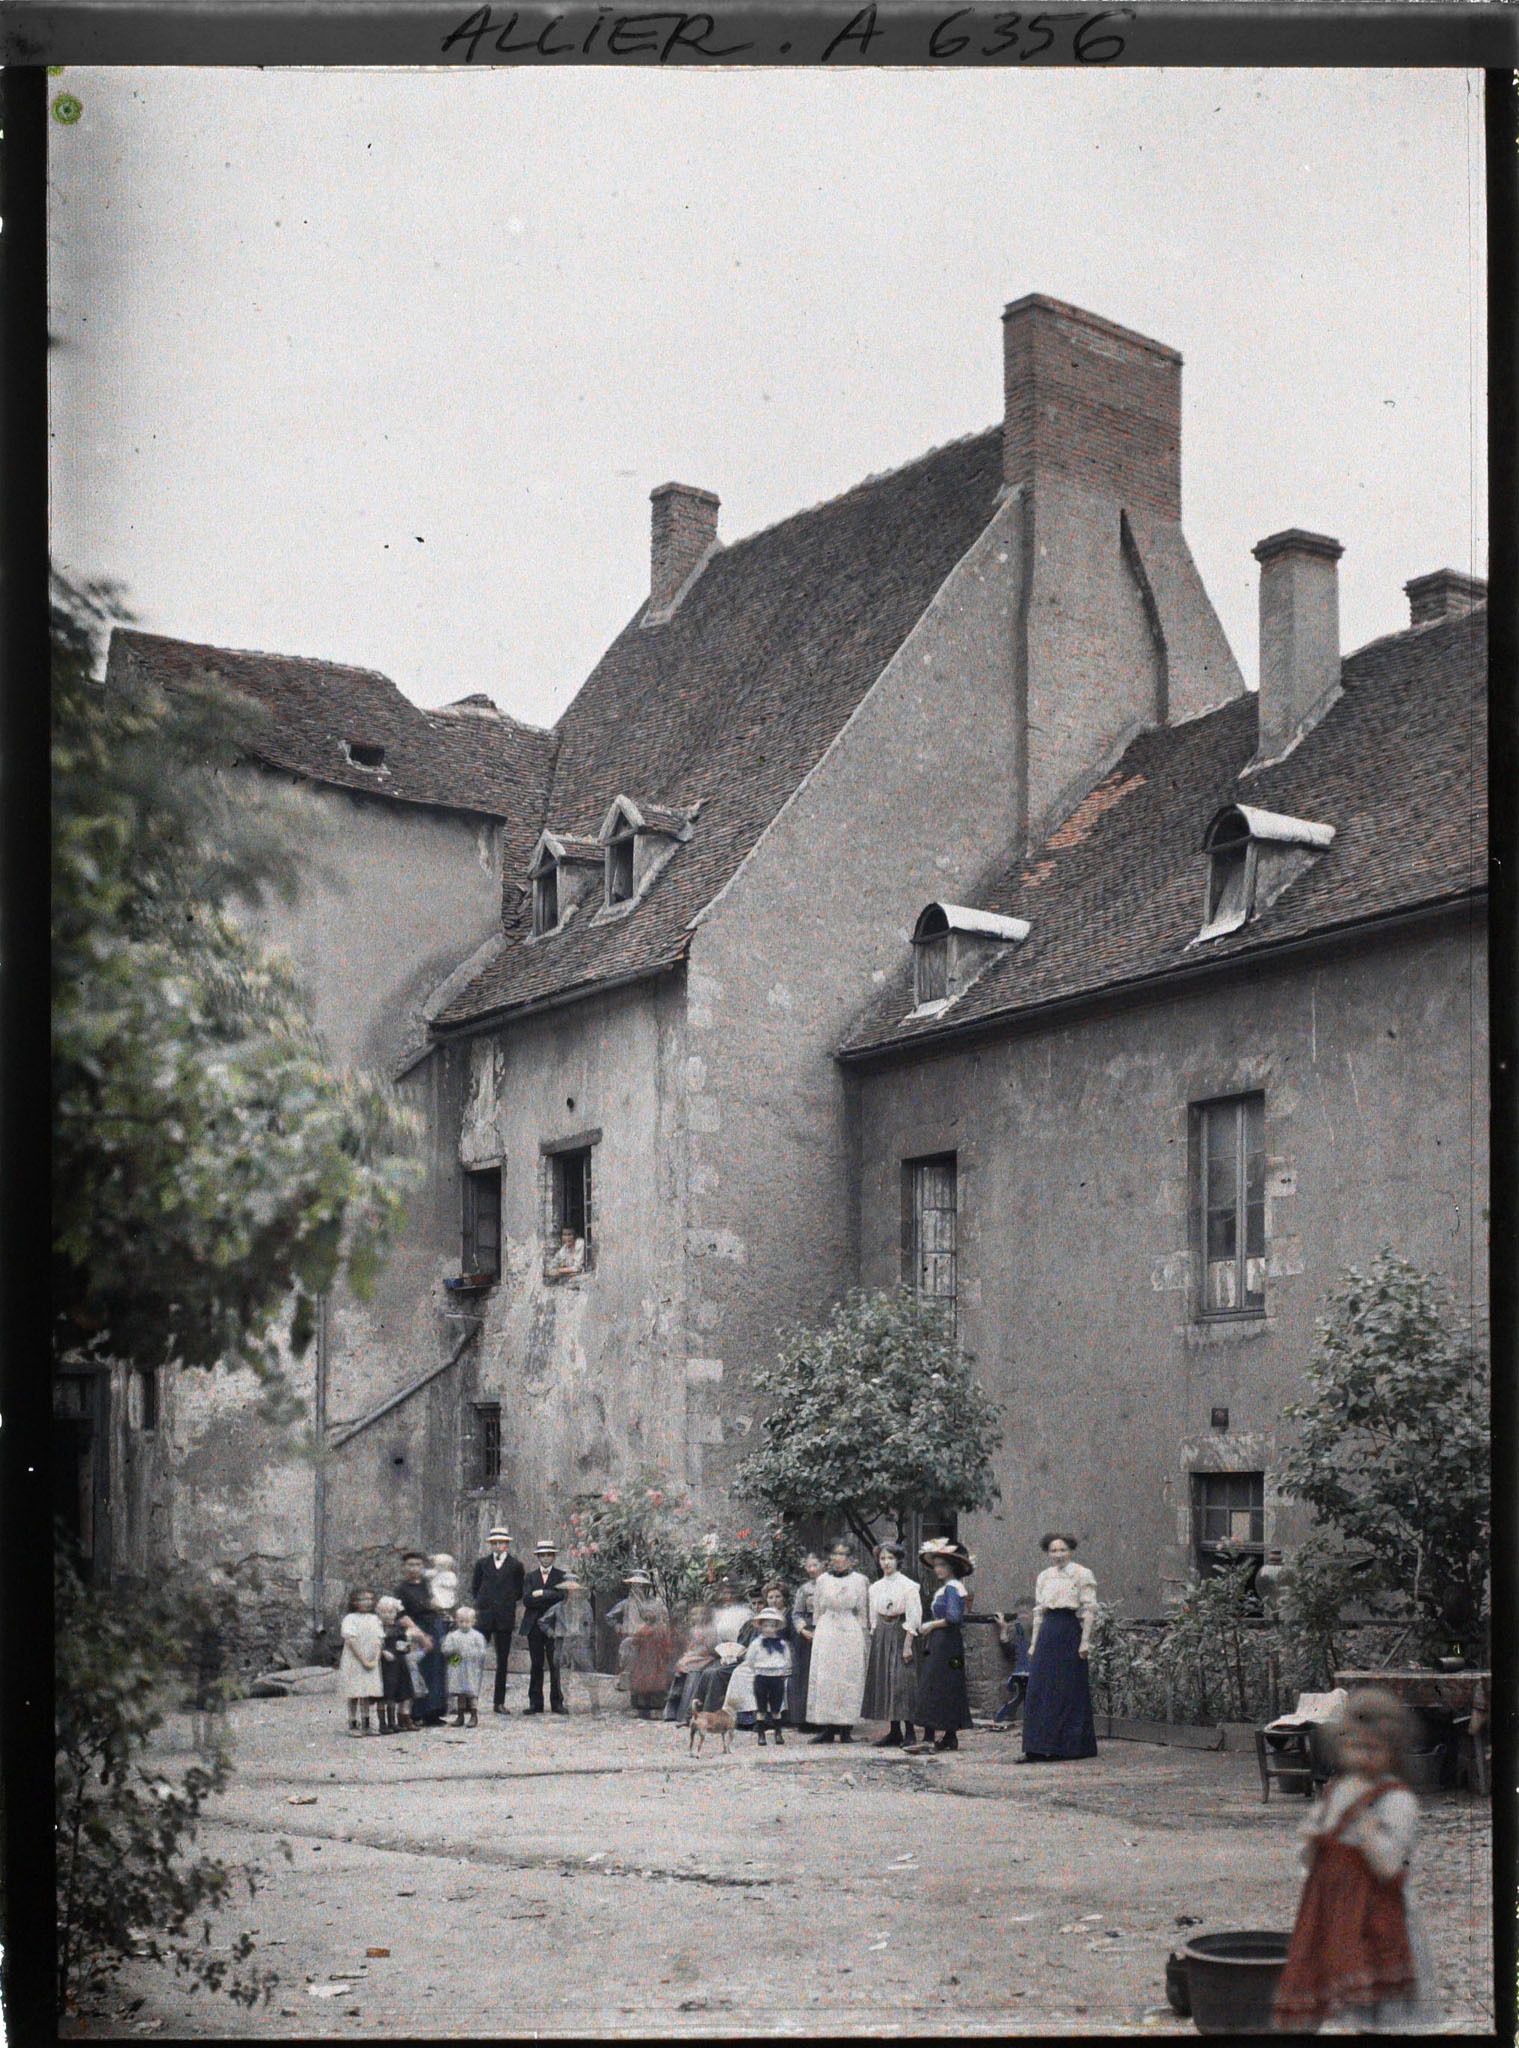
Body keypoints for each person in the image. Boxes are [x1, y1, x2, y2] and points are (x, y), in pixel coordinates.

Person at [1273, 1688, 1435, 2032]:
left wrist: (1365, 1827)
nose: (1361, 1757)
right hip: (1336, 1914)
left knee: (1382, 2004)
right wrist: (1314, 1837)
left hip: (1379, 1918)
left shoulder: (1397, 1800)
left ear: (1392, 1753)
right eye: (1354, 1747)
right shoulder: (1339, 1789)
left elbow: (1390, 1866)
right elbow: (1308, 1858)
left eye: (1373, 1749)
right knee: (1344, 1999)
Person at [1019, 1532, 1098, 1762]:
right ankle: (1037, 1746)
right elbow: (1039, 1611)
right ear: (1048, 1553)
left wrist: (1085, 1641)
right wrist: (1034, 1643)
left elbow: (1089, 1609)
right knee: (1040, 1689)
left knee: (1067, 1687)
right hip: (1048, 1633)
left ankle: (1067, 1747)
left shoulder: (1082, 1574)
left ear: (1070, 1550)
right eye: (1054, 1551)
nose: (1058, 1555)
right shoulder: (1044, 1576)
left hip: (1069, 1631)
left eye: (1063, 1550)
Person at [907, 1541, 974, 1753]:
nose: (938, 1569)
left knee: (934, 1684)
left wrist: (930, 1625)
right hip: (945, 1642)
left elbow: (954, 1617)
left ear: (952, 1567)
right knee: (945, 1684)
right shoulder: (948, 1588)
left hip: (946, 1643)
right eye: (936, 1565)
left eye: (942, 1565)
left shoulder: (954, 1588)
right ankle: (949, 1737)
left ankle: (929, 1738)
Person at [806, 1542, 871, 1743]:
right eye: (835, 1554)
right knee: (827, 1677)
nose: (838, 1558)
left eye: (843, 1554)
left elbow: (862, 1611)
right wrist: (817, 1632)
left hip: (849, 1629)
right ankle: (827, 1728)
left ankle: (846, 1729)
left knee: (848, 1676)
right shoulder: (823, 1580)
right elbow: (817, 1610)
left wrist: (864, 1636)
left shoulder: (860, 1581)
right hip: (828, 1628)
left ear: (852, 1559)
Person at [862, 1542, 923, 1747]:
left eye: (890, 1558)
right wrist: (875, 1636)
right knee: (886, 1681)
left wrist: (907, 1644)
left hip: (900, 1631)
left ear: (898, 1560)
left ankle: (910, 1731)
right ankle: (894, 1730)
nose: (886, 1563)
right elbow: (873, 1616)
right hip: (882, 1633)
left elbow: (914, 1617)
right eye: (882, 1559)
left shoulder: (908, 1586)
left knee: (902, 1682)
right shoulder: (875, 1588)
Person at [605, 1570, 677, 1718]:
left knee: (649, 1670)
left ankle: (652, 1702)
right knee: (633, 1669)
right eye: (635, 1585)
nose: (638, 1588)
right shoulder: (625, 1604)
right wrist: (617, 1626)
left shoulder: (652, 1603)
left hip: (650, 1640)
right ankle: (636, 1701)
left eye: (641, 1585)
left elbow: (662, 1619)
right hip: (631, 1638)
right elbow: (609, 1616)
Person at [470, 1525, 526, 1715]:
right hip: (484, 1616)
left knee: (502, 1660)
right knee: (475, 1654)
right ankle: (470, 1699)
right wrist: (483, 1604)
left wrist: (505, 1603)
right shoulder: (482, 1564)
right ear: (491, 1545)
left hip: (504, 1617)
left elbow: (519, 1591)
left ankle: (498, 1702)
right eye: (495, 1543)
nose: (498, 1546)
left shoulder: (516, 1566)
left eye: (501, 1543)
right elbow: (475, 1587)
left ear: (507, 1545)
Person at [394, 1550, 449, 1726]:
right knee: (418, 1671)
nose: (414, 1568)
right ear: (404, 1567)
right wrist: (420, 1635)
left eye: (418, 1565)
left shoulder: (428, 1584)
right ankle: (416, 1713)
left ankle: (434, 1712)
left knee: (437, 1669)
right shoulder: (401, 1589)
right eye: (410, 1565)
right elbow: (401, 1615)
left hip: (435, 1627)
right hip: (416, 1630)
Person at [521, 1538, 569, 1714]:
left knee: (555, 1664)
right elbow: (526, 1600)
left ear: (554, 1557)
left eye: (549, 1555)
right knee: (536, 1664)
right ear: (538, 1557)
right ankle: (535, 1703)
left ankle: (557, 1703)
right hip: (533, 1625)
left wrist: (541, 1593)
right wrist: (549, 1597)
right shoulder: (530, 1576)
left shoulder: (561, 1576)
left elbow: (562, 1597)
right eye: (543, 1555)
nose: (546, 1558)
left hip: (554, 1626)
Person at [693, 1579, 754, 1716]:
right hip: (728, 1654)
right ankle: (694, 1715)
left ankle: (710, 1715)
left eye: (731, 1593)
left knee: (716, 1673)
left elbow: (746, 1647)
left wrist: (736, 1655)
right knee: (707, 1672)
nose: (728, 1597)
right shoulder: (722, 1613)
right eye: (724, 1593)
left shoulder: (748, 1615)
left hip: (746, 1659)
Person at [547, 1574, 598, 1713]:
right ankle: (565, 1703)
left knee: (589, 1673)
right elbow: (543, 1621)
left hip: (580, 1642)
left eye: (573, 1589)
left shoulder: (585, 1607)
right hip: (564, 1642)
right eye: (568, 1589)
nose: (571, 1592)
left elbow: (591, 1624)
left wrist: (588, 1638)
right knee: (563, 1674)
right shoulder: (558, 1607)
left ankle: (595, 1703)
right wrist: (552, 1633)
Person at [744, 1606, 793, 1746]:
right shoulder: (756, 1644)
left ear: (777, 1627)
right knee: (761, 1706)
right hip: (761, 1676)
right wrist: (757, 1669)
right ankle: (761, 1734)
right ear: (761, 1627)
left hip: (776, 1676)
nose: (769, 1629)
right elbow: (750, 1660)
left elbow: (787, 1659)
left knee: (776, 1706)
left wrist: (783, 1670)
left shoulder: (782, 1644)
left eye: (772, 1625)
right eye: (765, 1625)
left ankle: (778, 1733)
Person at [338, 1587, 384, 1736]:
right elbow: (351, 1641)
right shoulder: (350, 1619)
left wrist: (374, 1659)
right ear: (355, 1602)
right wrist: (363, 1660)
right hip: (355, 1660)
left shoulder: (374, 1619)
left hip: (371, 1660)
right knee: (354, 1692)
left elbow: (379, 1640)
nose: (367, 1602)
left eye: (370, 1599)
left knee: (366, 1692)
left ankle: (367, 1723)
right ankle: (352, 1723)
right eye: (363, 1599)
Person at [662, 1602, 717, 1724]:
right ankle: (671, 1710)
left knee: (691, 1668)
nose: (696, 1617)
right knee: (681, 1665)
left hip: (705, 1658)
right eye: (693, 1614)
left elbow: (710, 1648)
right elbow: (690, 1647)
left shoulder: (710, 1630)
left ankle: (686, 1713)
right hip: (693, 1656)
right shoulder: (692, 1630)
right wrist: (688, 1654)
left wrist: (693, 1654)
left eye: (700, 1614)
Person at [788, 1554, 825, 1730]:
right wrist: (803, 1630)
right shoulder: (804, 1589)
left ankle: (828, 1720)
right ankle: (806, 1720)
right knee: (805, 1676)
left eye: (815, 1565)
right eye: (808, 1566)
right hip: (807, 1636)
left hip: (828, 1631)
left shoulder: (831, 1584)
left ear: (823, 1565)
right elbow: (796, 1613)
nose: (811, 1569)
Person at [442, 1604, 488, 1727]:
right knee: (460, 1691)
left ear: (473, 1622)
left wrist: (471, 1654)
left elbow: (482, 1652)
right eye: (461, 1621)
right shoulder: (453, 1636)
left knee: (472, 1692)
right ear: (457, 1621)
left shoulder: (476, 1636)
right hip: (458, 1665)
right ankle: (460, 1715)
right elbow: (446, 1650)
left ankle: (473, 1715)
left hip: (471, 1666)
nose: (464, 1624)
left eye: (467, 1622)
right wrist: (454, 1652)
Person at [375, 1594, 414, 1733]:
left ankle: (393, 1722)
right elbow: (374, 1645)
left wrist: (405, 1646)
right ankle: (382, 1724)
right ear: (378, 1613)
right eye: (384, 1612)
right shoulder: (377, 1628)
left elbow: (406, 1645)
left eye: (391, 1612)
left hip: (398, 1664)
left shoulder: (398, 1628)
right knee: (384, 1694)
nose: (387, 1615)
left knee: (395, 1692)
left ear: (396, 1613)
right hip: (384, 1665)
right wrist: (382, 1651)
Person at [992, 1600, 1033, 1725]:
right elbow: (1009, 1652)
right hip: (1021, 1671)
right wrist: (1003, 1629)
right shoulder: (1018, 1631)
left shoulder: (1040, 1631)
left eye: (1025, 1613)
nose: (1022, 1617)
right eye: (1020, 1614)